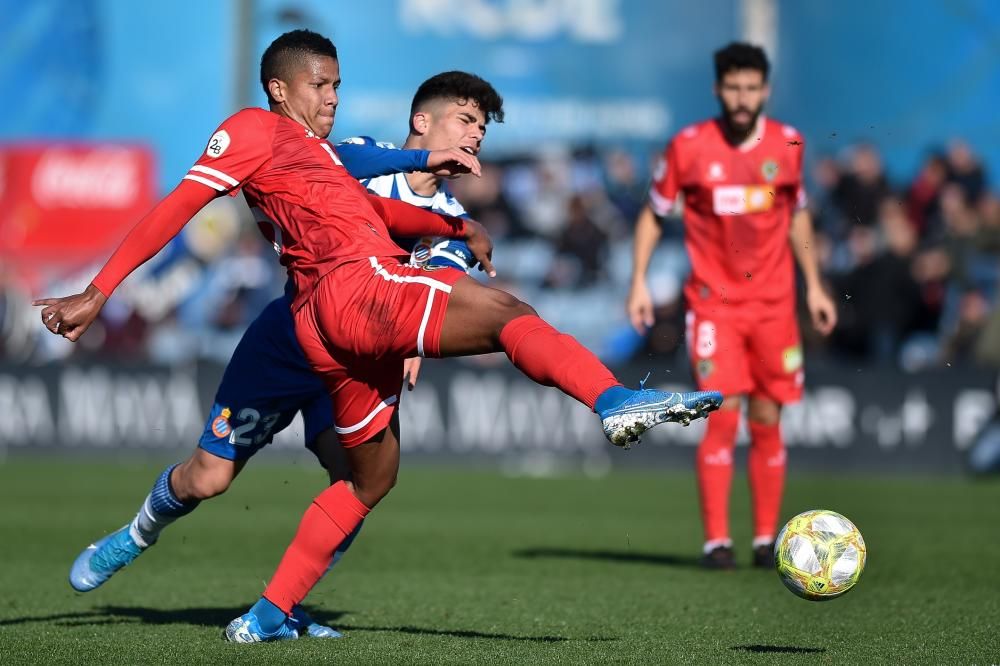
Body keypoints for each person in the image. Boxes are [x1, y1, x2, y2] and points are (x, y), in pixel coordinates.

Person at [36, 30, 722, 642]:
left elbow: (371, 198)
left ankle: (269, 616)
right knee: (211, 474)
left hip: (336, 321)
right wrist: (100, 291)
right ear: (280, 88)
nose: (333, 97)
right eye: (321, 85)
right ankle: (136, 534)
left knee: (371, 477)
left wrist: (457, 226)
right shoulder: (256, 131)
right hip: (332, 306)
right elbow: (179, 205)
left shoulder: (332, 162)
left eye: (339, 85)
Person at [64, 70, 498, 640]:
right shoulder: (357, 154)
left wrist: (425, 319)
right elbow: (337, 165)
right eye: (466, 121)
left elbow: (443, 274)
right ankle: (137, 533)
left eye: (482, 131)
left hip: (359, 360)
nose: (475, 138)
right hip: (291, 335)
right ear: (424, 121)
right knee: (208, 479)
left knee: (359, 482)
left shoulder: (449, 221)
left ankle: (283, 605)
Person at [626, 43, 836, 570]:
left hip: (774, 306)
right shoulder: (689, 146)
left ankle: (767, 540)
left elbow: (797, 215)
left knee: (768, 418)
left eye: (751, 88)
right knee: (722, 418)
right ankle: (716, 541)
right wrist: (638, 282)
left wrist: (814, 285)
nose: (742, 99)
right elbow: (653, 215)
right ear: (718, 89)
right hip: (714, 306)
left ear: (765, 90)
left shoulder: (789, 143)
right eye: (733, 88)